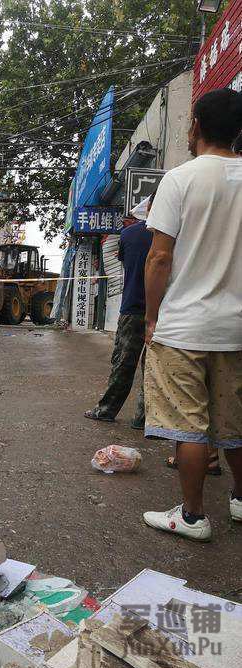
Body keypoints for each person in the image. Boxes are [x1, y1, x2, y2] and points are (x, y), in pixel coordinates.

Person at [143, 88, 242, 541]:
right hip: (236, 329)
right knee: (234, 423)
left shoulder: (180, 179)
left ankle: (193, 516)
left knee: (190, 426)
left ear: (196, 126)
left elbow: (159, 259)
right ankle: (240, 501)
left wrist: (151, 317)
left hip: (183, 326)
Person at [84, 196, 154, 429]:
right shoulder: (175, 235)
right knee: (152, 367)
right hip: (165, 311)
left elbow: (126, 262)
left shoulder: (129, 234)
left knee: (123, 362)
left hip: (133, 307)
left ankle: (106, 409)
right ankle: (144, 418)